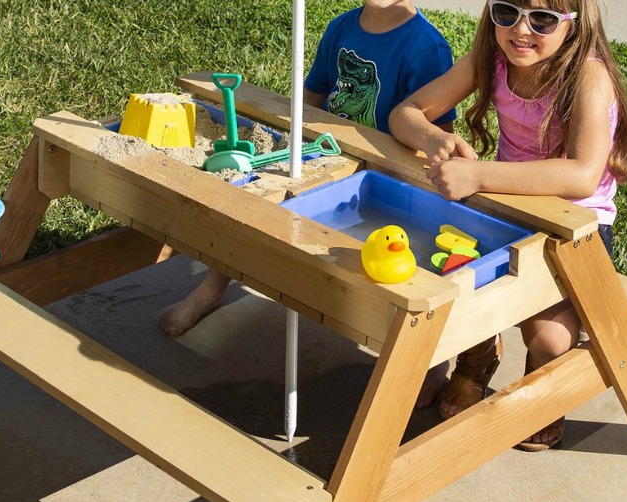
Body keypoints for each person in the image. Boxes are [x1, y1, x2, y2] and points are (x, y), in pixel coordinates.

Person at [161, 0, 458, 395]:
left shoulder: (427, 49)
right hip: (328, 156)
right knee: (246, 203)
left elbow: (435, 141)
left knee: (402, 263)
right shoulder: (341, 28)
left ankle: (431, 357)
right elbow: (312, 97)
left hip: (386, 177)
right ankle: (212, 288)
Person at [389, 0, 627, 450]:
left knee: (547, 340)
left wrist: (479, 175)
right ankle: (476, 358)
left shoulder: (588, 76)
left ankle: (539, 385)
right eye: (507, 13)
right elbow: (404, 111)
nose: (521, 30)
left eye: (541, 20)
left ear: (574, 24)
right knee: (452, 284)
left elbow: (582, 174)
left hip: (577, 227)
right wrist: (434, 137)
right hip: (507, 211)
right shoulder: (491, 59)